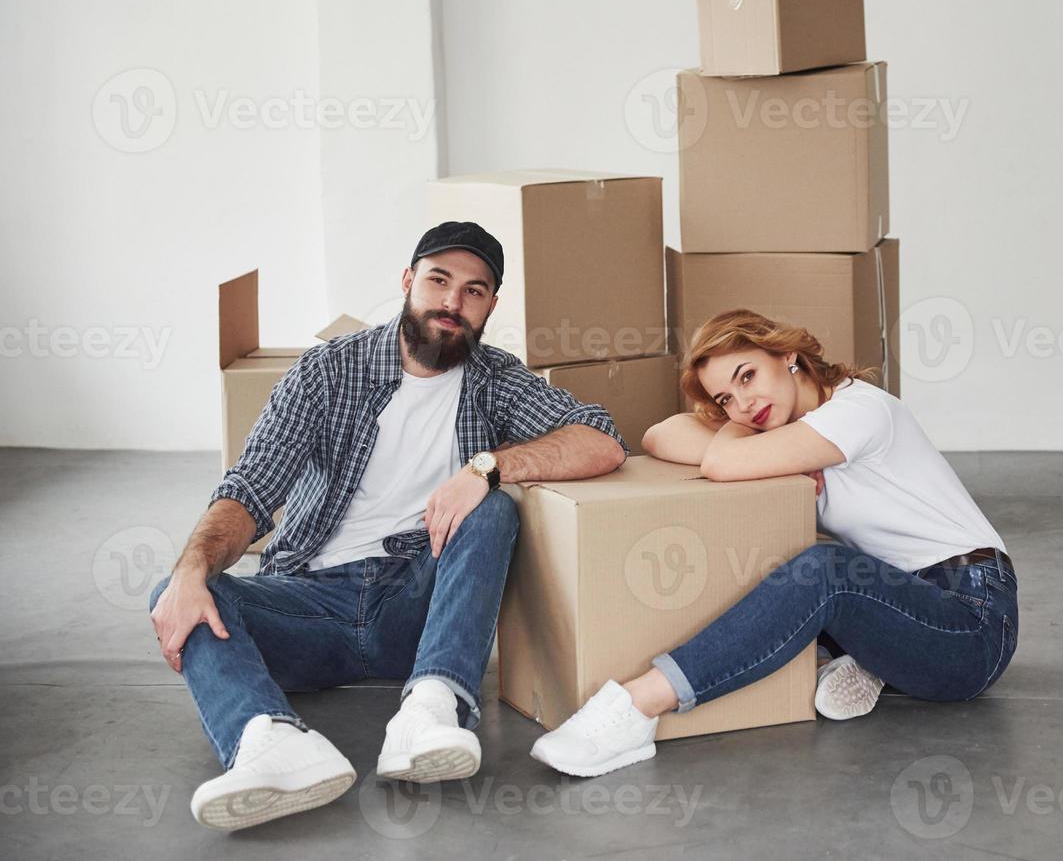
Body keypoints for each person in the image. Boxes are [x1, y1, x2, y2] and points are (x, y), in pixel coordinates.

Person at [148, 221, 626, 830]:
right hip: (309, 607)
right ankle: (269, 743)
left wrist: (487, 467)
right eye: (439, 280)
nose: (453, 303)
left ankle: (430, 708)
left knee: (495, 506)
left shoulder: (495, 381)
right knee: (180, 590)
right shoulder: (327, 372)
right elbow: (250, 490)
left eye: (474, 291)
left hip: (416, 609)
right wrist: (192, 570)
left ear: (491, 306)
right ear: (408, 281)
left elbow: (603, 439)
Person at [529, 309, 1017, 778]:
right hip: (894, 600)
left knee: (824, 570)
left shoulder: (859, 410)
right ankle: (855, 660)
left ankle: (636, 707)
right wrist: (754, 441)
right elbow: (660, 435)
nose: (742, 403)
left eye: (747, 377)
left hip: (969, 618)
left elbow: (720, 465)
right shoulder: (792, 429)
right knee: (769, 576)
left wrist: (741, 441)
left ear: (786, 355)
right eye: (724, 399)